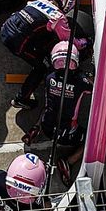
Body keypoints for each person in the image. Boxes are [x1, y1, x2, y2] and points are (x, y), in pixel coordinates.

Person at [1, 0, 81, 109]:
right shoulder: (58, 17)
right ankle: (21, 99)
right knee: (43, 66)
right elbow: (69, 41)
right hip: (17, 43)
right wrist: (85, 42)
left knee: (45, 34)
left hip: (5, 29)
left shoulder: (39, 1)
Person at [23, 41, 93, 182]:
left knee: (50, 104)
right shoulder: (81, 81)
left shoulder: (49, 77)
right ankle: (68, 161)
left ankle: (35, 128)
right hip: (67, 133)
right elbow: (93, 86)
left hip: (46, 126)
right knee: (92, 141)